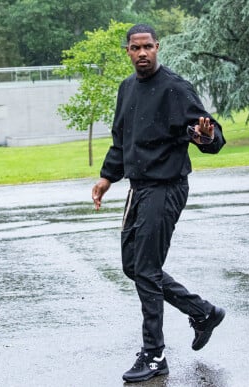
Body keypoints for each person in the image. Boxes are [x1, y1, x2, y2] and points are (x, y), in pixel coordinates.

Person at [91, 24, 226, 383]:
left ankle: (155, 355)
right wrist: (107, 177)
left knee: (147, 269)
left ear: (157, 47)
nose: (142, 53)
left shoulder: (176, 88)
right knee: (133, 266)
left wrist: (206, 137)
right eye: (135, 48)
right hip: (139, 188)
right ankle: (202, 312)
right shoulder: (126, 89)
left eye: (148, 46)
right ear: (128, 51)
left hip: (166, 187)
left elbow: (210, 134)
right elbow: (121, 139)